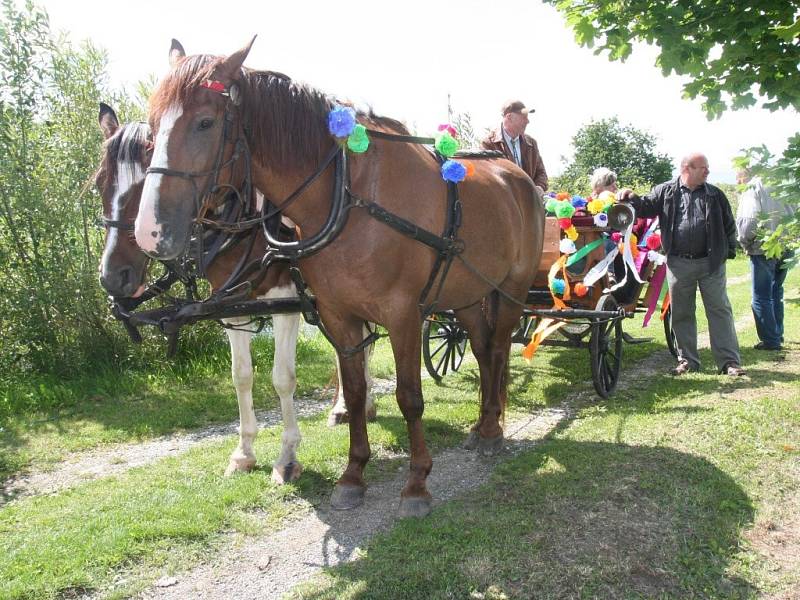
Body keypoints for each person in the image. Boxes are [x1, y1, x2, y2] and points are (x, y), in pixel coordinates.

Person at [618, 153, 745, 376]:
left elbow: (728, 225)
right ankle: (688, 360)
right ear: (687, 168)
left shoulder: (715, 194)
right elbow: (645, 207)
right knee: (682, 312)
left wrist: (727, 252)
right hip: (678, 263)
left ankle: (729, 363)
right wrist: (630, 197)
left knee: (719, 311)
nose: (707, 172)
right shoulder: (665, 190)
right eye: (703, 168)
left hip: (711, 263)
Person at [735, 168, 795, 351]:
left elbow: (748, 221)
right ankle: (777, 333)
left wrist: (745, 243)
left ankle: (770, 340)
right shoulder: (783, 183)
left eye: (738, 181)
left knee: (761, 296)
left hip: (764, 247)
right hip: (787, 244)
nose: (738, 185)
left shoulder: (753, 187)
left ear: (743, 177)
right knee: (776, 291)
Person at [481, 100, 548, 191]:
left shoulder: (531, 143)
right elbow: (486, 178)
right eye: (524, 117)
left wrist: (539, 187)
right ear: (509, 117)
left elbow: (541, 173)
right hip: (504, 203)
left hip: (529, 203)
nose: (528, 121)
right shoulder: (489, 144)